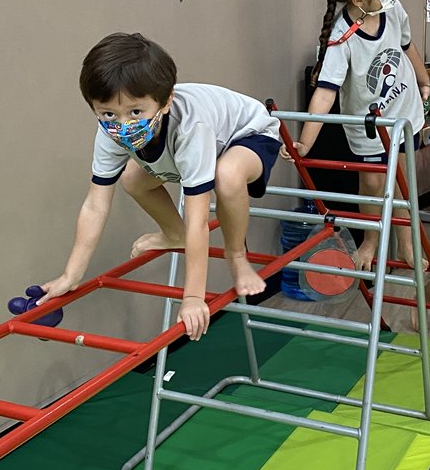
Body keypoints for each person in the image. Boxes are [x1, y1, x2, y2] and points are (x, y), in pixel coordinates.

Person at [38, 33, 282, 341]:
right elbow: (95, 204)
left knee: (227, 175)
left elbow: (198, 220)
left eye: (135, 112)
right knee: (132, 178)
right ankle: (174, 234)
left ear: (165, 103)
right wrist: (70, 275)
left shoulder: (191, 127)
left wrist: (193, 297)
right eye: (109, 113)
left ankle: (237, 256)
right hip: (193, 149)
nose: (123, 125)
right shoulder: (112, 133)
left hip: (248, 134)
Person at [282, 0, 430, 271]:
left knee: (403, 183)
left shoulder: (392, 9)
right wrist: (304, 142)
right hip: (369, 127)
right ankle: (371, 241)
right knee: (372, 186)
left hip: (405, 114)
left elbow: (407, 46)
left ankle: (406, 244)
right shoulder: (342, 37)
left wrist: (424, 80)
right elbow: (325, 93)